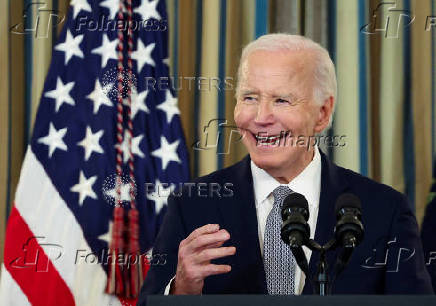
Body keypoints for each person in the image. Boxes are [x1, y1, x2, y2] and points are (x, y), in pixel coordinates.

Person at [137, 34, 433, 304]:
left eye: (281, 100)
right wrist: (182, 291)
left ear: (323, 113)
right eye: (250, 97)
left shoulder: (385, 211)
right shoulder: (192, 204)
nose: (261, 117)